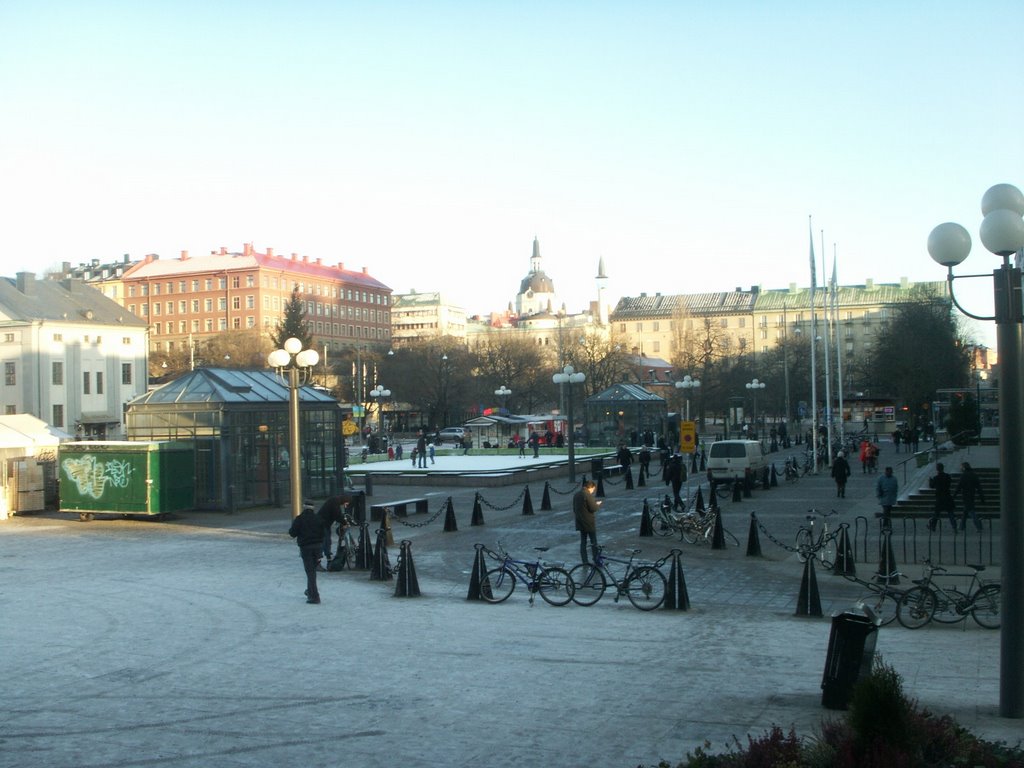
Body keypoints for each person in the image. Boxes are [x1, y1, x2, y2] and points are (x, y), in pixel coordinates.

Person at [289, 502, 324, 604]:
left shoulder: (300, 519)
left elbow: (292, 533)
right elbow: (323, 533)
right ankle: (310, 591)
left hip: (306, 548)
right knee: (312, 571)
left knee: (310, 572)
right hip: (318, 548)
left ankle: (314, 596)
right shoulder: (318, 518)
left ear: (304, 508)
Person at [316, 494, 352, 563]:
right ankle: (320, 560)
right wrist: (344, 523)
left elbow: (336, 514)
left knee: (327, 541)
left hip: (324, 524)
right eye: (347, 503)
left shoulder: (335, 500)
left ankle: (328, 557)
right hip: (322, 524)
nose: (346, 505)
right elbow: (337, 514)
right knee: (325, 541)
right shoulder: (335, 501)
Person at [573, 479, 601, 564]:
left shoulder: (576, 495)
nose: (593, 491)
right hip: (588, 522)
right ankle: (596, 559)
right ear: (591, 487)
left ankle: (584, 561)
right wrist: (597, 504)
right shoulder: (587, 495)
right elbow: (593, 508)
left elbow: (574, 508)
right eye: (593, 489)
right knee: (594, 542)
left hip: (580, 521)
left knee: (583, 542)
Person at [953, 461, 986, 532]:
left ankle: (978, 527)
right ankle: (962, 526)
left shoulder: (964, 475)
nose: (960, 468)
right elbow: (979, 487)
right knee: (966, 511)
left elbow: (959, 487)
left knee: (971, 512)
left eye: (961, 467)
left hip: (965, 496)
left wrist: (954, 496)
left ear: (964, 467)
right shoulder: (974, 475)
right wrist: (982, 497)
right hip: (972, 495)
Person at [928, 462, 956, 532]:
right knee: (950, 513)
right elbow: (949, 483)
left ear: (937, 469)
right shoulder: (947, 476)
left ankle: (933, 526)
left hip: (940, 498)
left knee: (936, 513)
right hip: (947, 496)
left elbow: (932, 486)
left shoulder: (936, 478)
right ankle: (954, 527)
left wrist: (930, 481)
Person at [875, 466, 898, 530]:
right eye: (889, 472)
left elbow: (895, 488)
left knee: (888, 511)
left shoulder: (894, 479)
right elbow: (878, 487)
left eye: (891, 472)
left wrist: (895, 496)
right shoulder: (881, 478)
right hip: (884, 498)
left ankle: (886, 523)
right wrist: (879, 495)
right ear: (886, 472)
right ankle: (885, 524)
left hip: (891, 498)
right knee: (886, 510)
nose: (890, 473)